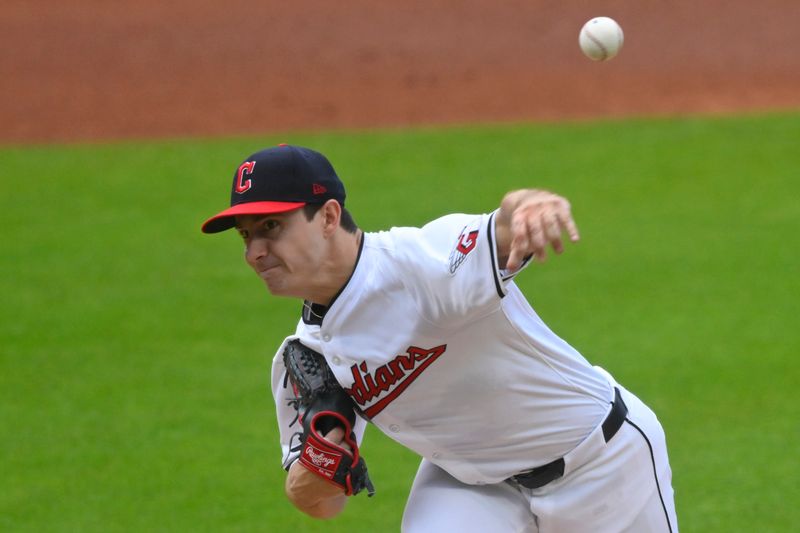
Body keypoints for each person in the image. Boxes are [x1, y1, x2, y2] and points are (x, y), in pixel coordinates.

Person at [201, 144, 678, 532]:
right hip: (473, 488)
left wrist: (530, 204)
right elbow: (319, 505)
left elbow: (505, 227)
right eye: (246, 236)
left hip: (603, 462)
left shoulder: (419, 265)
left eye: (271, 227)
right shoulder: (305, 358)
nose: (255, 253)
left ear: (328, 216)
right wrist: (325, 450)